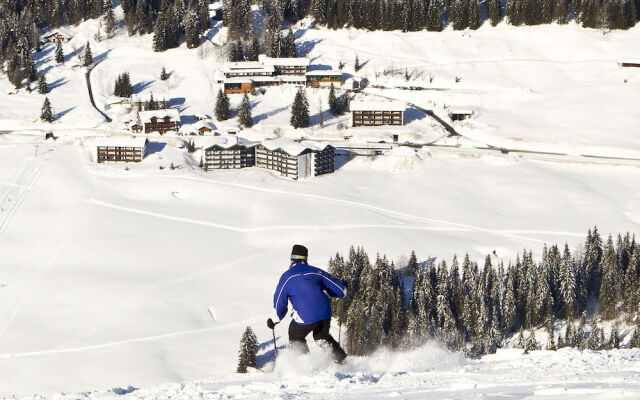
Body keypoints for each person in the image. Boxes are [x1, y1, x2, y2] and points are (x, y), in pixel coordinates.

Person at [267, 244, 347, 363]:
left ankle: (304, 364)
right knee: (321, 337)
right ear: (305, 258)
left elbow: (280, 301)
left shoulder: (287, 276)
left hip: (306, 315)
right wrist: (343, 286)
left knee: (295, 334)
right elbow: (341, 291)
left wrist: (275, 319)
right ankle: (341, 361)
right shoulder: (316, 272)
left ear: (292, 259)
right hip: (325, 312)